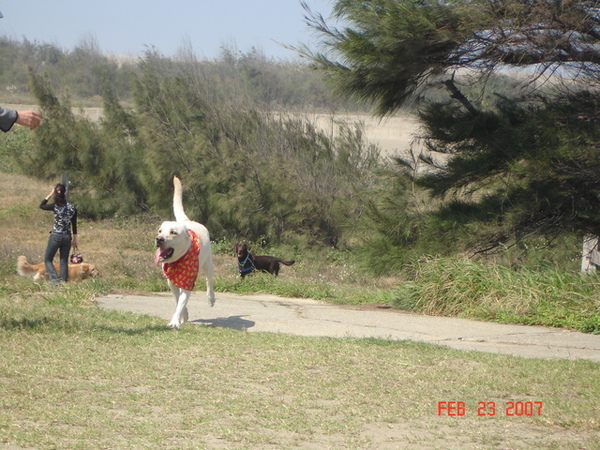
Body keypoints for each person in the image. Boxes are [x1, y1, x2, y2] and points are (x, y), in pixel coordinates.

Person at [39, 184, 78, 285]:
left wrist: (50, 194)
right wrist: (75, 239)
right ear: (65, 193)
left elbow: (42, 205)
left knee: (47, 259)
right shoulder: (72, 208)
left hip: (56, 235)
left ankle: (55, 280)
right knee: (63, 260)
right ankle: (64, 282)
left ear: (56, 193)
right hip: (67, 237)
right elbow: (74, 225)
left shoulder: (55, 206)